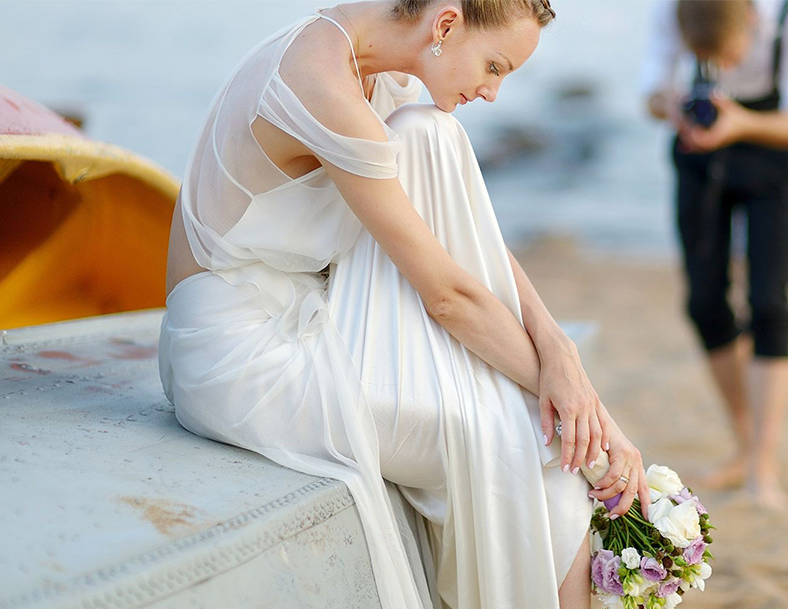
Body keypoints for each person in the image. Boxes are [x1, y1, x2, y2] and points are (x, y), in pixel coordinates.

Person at [157, 2, 652, 607]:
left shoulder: (381, 77)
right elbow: (446, 295)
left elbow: (471, 247)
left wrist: (558, 349)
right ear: (446, 25)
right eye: (494, 65)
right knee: (531, 439)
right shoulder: (321, 85)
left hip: (315, 312)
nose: (494, 92)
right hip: (238, 353)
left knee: (427, 132)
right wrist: (588, 420)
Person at [640, 0, 788, 508]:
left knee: (770, 305)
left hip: (774, 155)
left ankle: (762, 464)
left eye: (725, 54)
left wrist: (741, 124)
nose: (720, 68)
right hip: (699, 157)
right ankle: (746, 446)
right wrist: (672, 106)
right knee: (704, 303)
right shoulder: (672, 7)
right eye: (707, 57)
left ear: (751, 19)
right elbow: (651, 95)